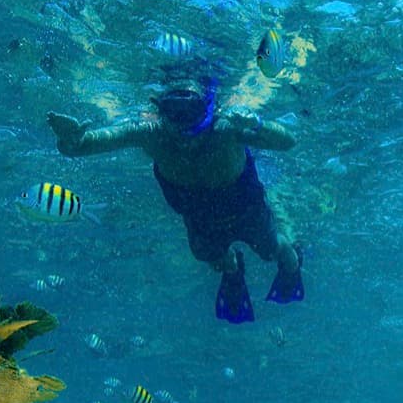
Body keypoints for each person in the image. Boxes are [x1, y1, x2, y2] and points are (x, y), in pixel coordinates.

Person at [48, 67, 303, 324]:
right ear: (159, 109)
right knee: (209, 256)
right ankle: (233, 268)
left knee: (273, 250)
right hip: (199, 219)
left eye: (190, 110)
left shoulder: (226, 128)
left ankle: (292, 267)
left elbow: (288, 142)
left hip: (246, 210)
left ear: (207, 107)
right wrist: (71, 140)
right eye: (173, 111)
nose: (183, 123)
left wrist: (256, 124)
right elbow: (84, 146)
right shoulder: (150, 134)